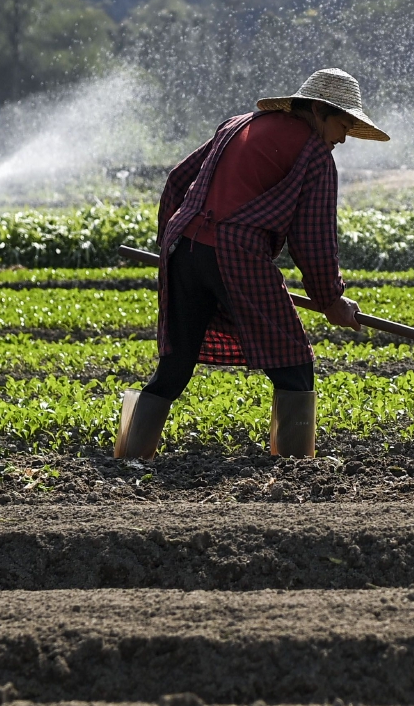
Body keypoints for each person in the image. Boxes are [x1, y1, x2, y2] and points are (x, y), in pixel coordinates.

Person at [115, 68, 390, 461]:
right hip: (238, 253)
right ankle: (296, 464)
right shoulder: (314, 155)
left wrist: (170, 246)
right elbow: (313, 241)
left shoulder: (237, 124)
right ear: (318, 110)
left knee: (174, 367)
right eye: (343, 125)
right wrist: (331, 300)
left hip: (184, 245)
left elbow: (178, 180)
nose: (343, 137)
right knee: (293, 361)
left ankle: (129, 453)